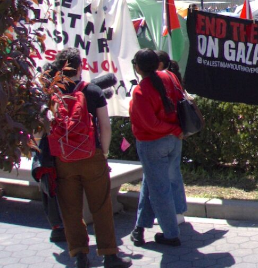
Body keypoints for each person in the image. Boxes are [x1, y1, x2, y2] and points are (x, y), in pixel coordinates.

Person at [46, 48, 132, 268]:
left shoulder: (51, 93)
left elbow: (44, 128)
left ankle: (80, 256)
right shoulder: (93, 91)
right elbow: (105, 126)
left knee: (70, 209)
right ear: (80, 66)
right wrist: (102, 153)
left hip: (64, 159)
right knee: (101, 206)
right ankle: (110, 255)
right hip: (91, 155)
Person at [129, 48, 187, 248]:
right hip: (174, 140)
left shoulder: (140, 91)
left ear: (137, 67)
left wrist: (171, 129)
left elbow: (151, 124)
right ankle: (140, 226)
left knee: (159, 189)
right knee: (152, 183)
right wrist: (176, 129)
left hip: (153, 142)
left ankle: (171, 234)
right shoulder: (169, 77)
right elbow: (181, 101)